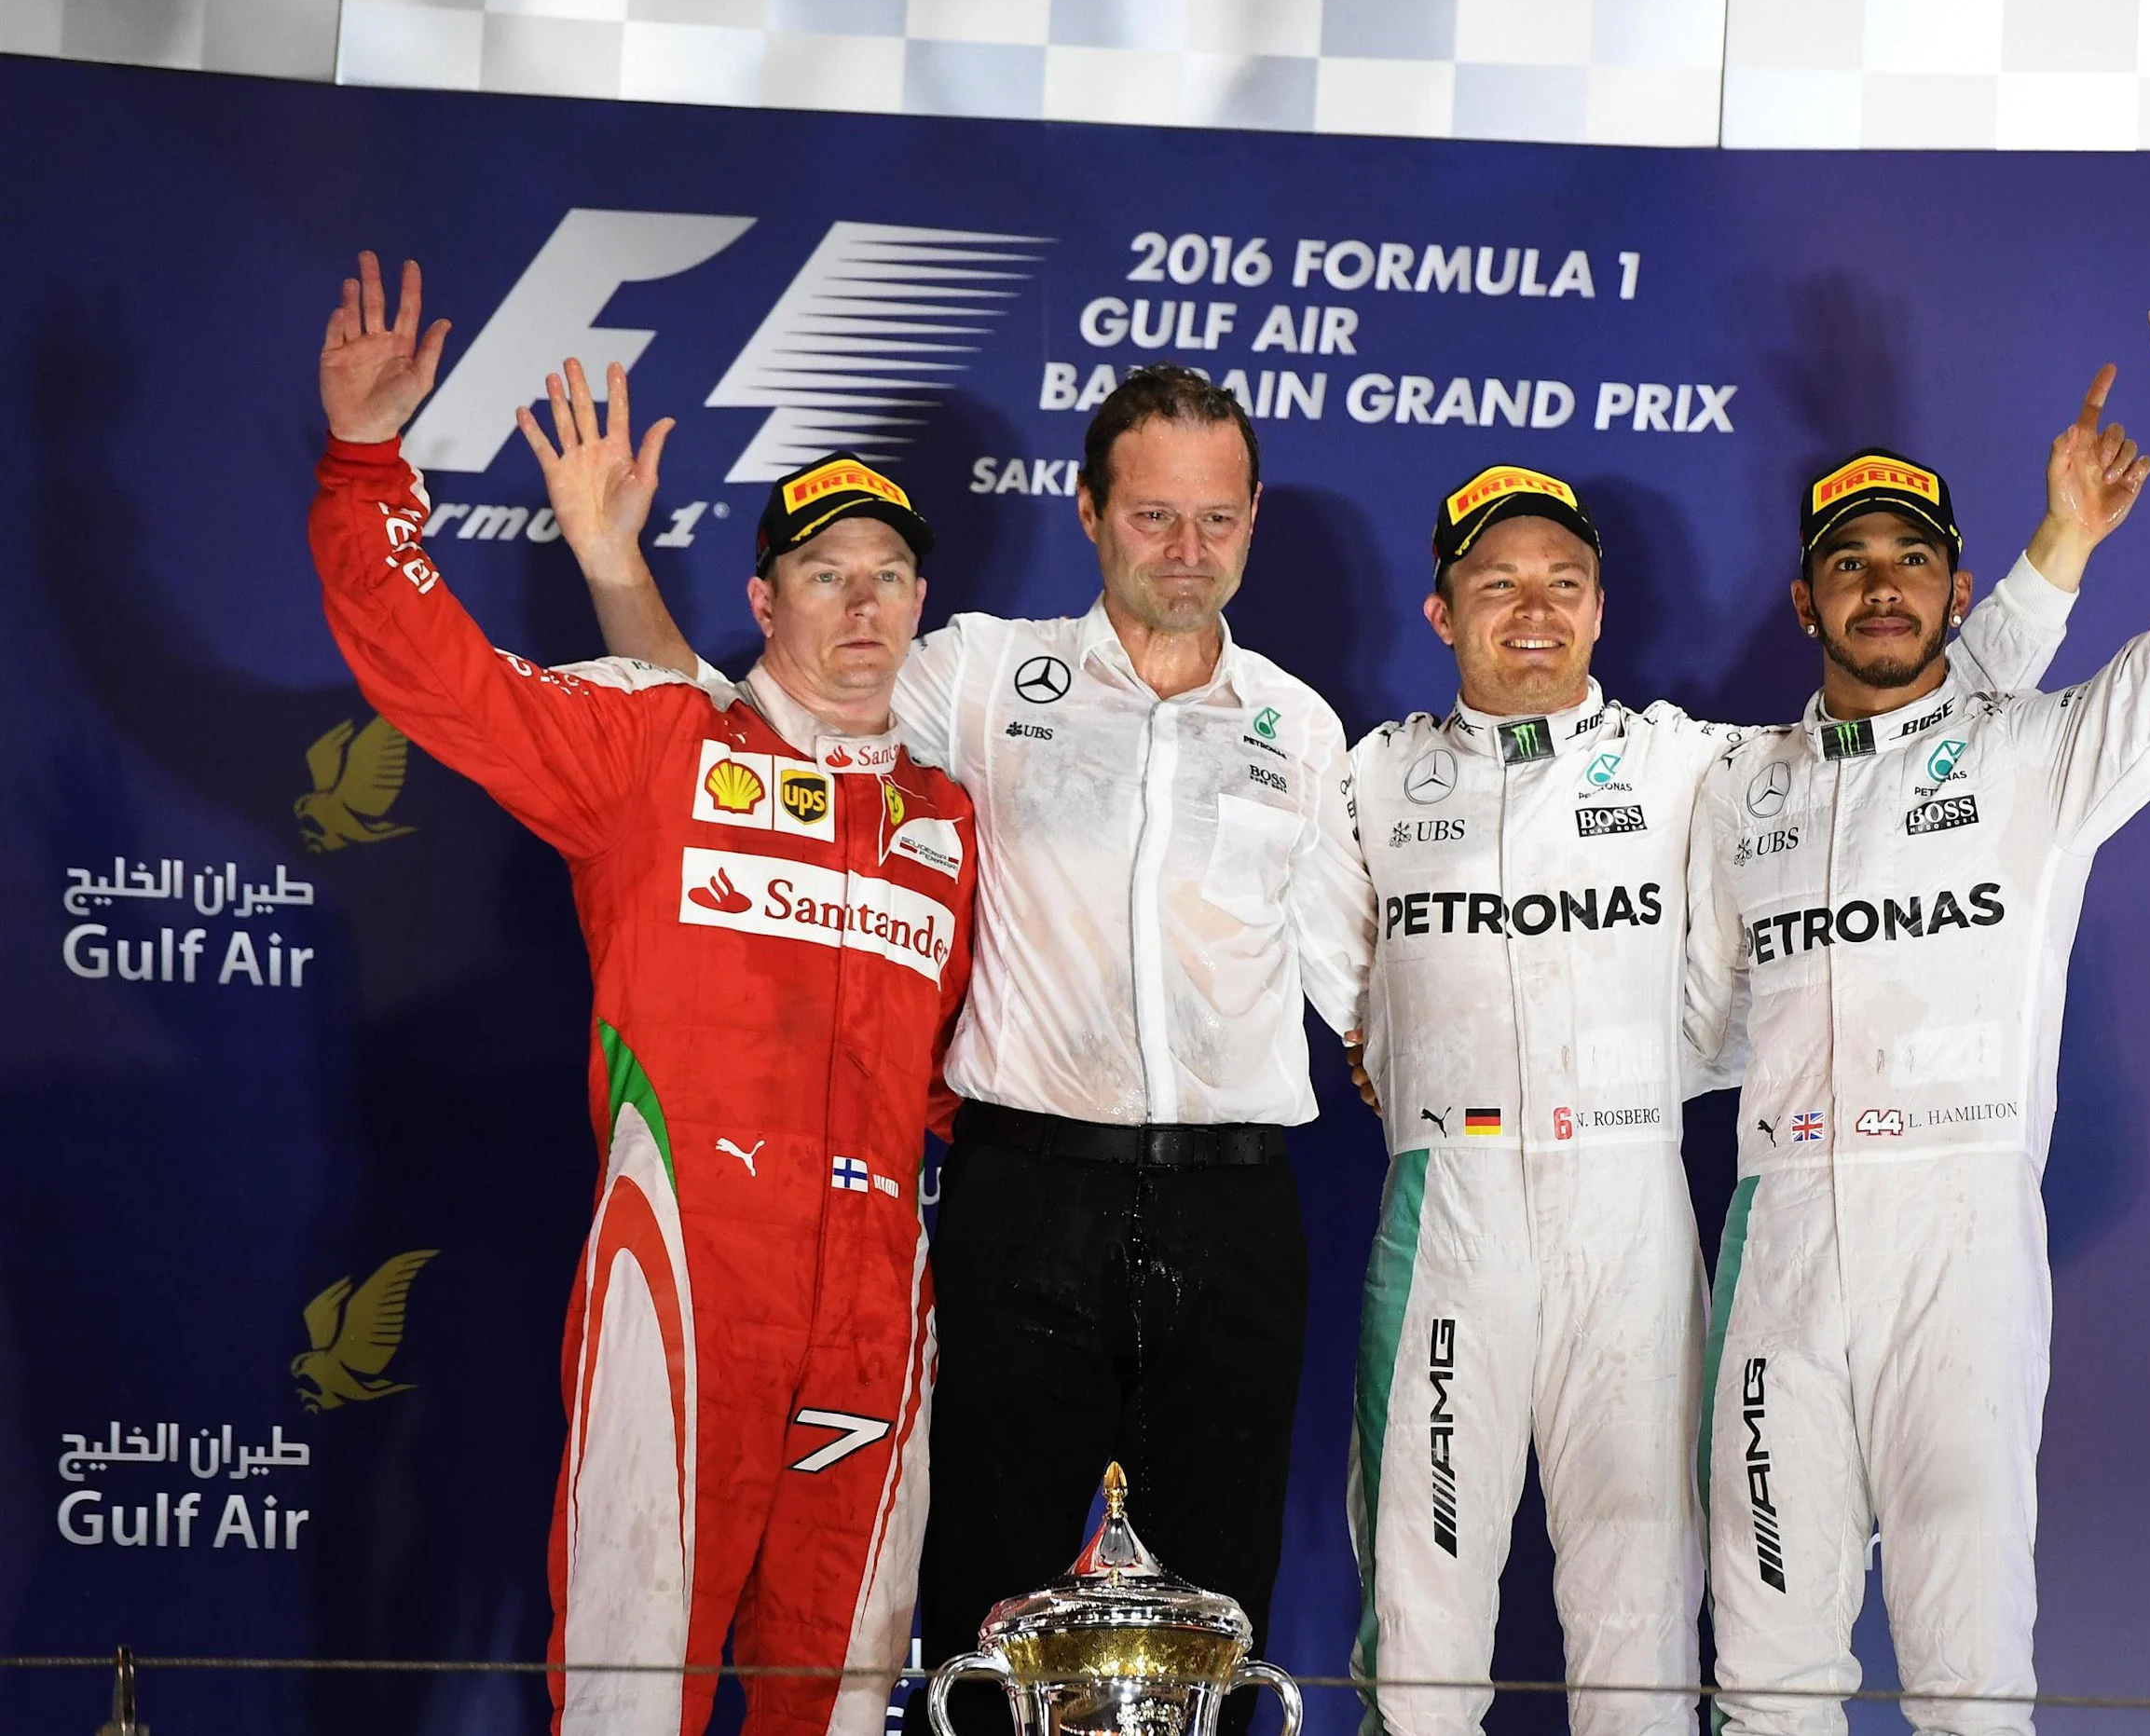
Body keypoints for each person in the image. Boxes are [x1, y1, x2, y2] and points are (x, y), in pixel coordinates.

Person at [567, 363, 1371, 1736]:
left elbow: (1356, 974)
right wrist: (611, 566)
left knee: (1219, 1624)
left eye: (1218, 520)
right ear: (1090, 513)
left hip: (1237, 1215)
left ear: (1252, 522)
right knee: (989, 1621)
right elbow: (731, 733)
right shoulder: (980, 674)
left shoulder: (1298, 725)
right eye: (1155, 516)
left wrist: (1419, 1064)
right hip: (1025, 1201)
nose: (1188, 550)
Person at [308, 254, 977, 1736]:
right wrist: (368, 464)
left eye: (887, 577)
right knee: (628, 1694)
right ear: (761, 598)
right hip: (682, 1281)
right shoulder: (656, 747)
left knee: (846, 1701)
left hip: (879, 1304)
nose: (861, 610)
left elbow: (969, 1070)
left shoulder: (951, 818)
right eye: (824, 575)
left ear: (924, 597)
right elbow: (433, 673)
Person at [1338, 458, 2102, 1736]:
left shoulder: (1693, 764)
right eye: (1498, 584)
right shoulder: (1367, 778)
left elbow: (1917, 724)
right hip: (1452, 1207)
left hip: (1631, 1200)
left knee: (1642, 1618)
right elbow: (1313, 946)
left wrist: (2053, 565)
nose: (1534, 609)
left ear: (1600, 607)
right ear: (1441, 611)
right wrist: (1381, 1026)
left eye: (1564, 583)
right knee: (1419, 1625)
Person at [1682, 232, 2150, 1736]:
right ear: (1811, 602)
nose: (1880, 588)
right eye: (1848, 565)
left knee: (1968, 1683)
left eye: (1911, 564)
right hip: (1778, 1249)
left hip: (1960, 1242)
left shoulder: (2031, 760)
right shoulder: (1737, 791)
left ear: (1956, 594)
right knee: (1765, 1681)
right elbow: (1678, 1028)